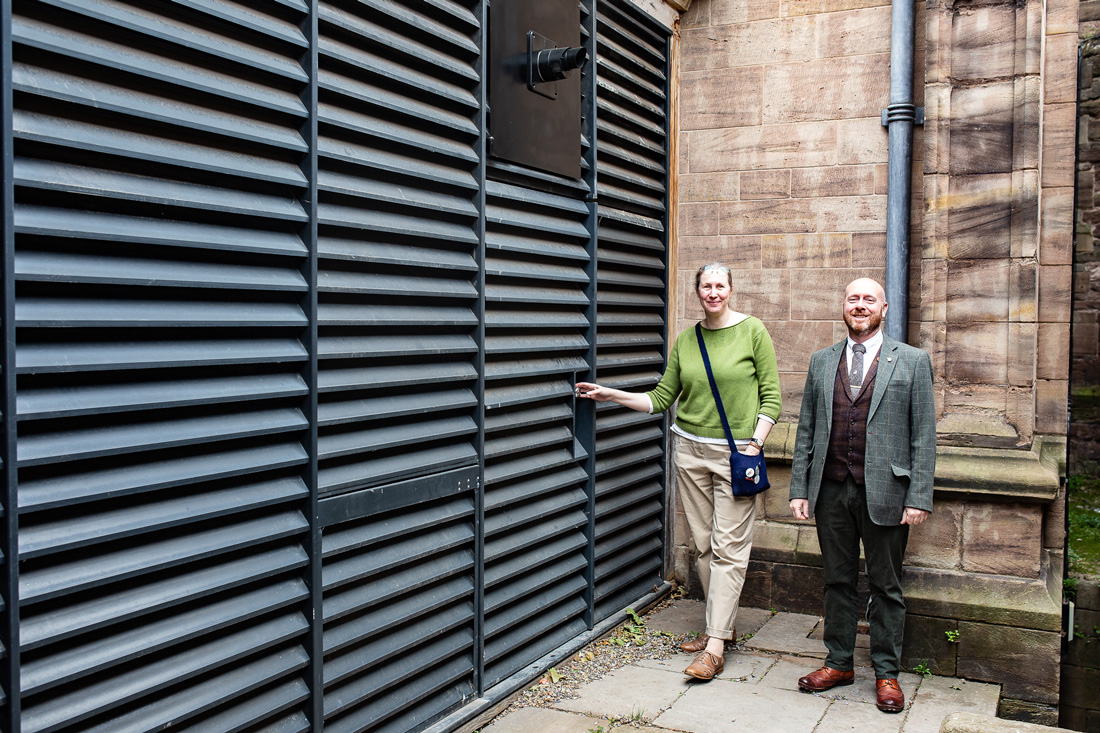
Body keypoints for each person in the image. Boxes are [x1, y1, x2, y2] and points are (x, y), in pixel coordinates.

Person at [576, 262, 780, 681]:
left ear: (731, 289)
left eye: (720, 285)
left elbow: (771, 397)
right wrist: (611, 394)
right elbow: (661, 397)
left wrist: (755, 443)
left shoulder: (753, 331)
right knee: (704, 546)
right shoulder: (687, 340)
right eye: (706, 286)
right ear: (697, 291)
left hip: (736, 455)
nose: (713, 292)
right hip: (689, 451)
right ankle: (720, 627)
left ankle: (716, 646)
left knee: (729, 548)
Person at [788, 277, 935, 713]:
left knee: (886, 585)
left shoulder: (911, 360)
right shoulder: (821, 361)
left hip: (888, 491)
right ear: (843, 306)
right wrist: (800, 488)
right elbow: (806, 431)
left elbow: (924, 435)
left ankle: (887, 673)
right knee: (838, 581)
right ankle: (838, 663)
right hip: (831, 490)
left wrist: (919, 496)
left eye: (868, 299)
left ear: (884, 308)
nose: (860, 305)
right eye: (853, 299)